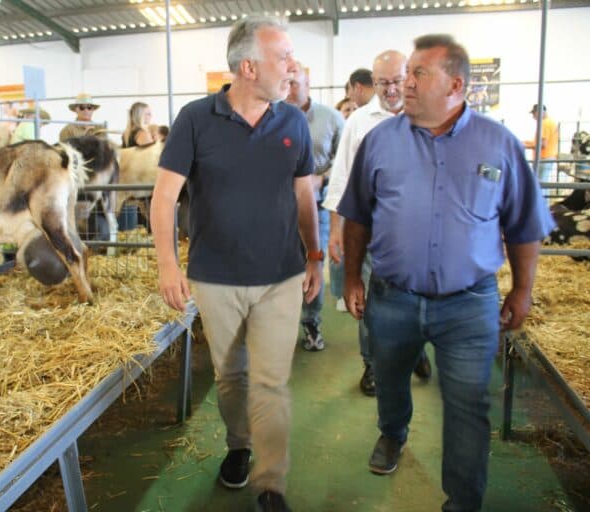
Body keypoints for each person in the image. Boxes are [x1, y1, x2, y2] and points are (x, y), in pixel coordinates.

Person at [337, 34, 554, 511]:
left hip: (468, 302)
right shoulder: (379, 140)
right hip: (392, 297)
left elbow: (525, 226)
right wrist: (352, 278)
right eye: (406, 73)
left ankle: (463, 501)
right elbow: (357, 217)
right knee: (389, 381)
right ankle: (392, 434)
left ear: (456, 84)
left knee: (468, 406)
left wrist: (522, 290)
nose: (404, 84)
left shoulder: (498, 144)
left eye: (419, 73)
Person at [151, 15, 321, 512]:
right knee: (232, 378)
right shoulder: (196, 119)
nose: (293, 66)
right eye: (283, 57)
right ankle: (239, 444)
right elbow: (164, 199)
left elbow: (304, 194)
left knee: (271, 378)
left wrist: (314, 255)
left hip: (281, 275)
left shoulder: (292, 120)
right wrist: (168, 265)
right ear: (248, 67)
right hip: (216, 277)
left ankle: (270, 483)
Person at [324, 50, 431, 396]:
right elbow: (341, 178)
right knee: (368, 300)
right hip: (370, 231)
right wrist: (336, 229)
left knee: (419, 297)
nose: (390, 89)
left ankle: (414, 350)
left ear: (410, 77)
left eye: (396, 81)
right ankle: (371, 365)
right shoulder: (359, 121)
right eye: (382, 82)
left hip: (419, 233)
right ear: (373, 83)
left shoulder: (429, 115)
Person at [286, 62, 345, 351]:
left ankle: (311, 323)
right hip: (279, 207)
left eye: (294, 83)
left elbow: (345, 160)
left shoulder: (331, 118)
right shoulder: (273, 116)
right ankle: (280, 325)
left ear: (308, 85)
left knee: (314, 260)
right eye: (285, 83)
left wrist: (322, 178)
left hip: (317, 204)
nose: (288, 89)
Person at [523, 104, 559, 196]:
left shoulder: (544, 124)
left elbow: (543, 144)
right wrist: (527, 143)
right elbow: (539, 142)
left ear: (539, 112)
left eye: (534, 114)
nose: (533, 117)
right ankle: (544, 207)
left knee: (540, 184)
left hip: (544, 157)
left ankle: (542, 207)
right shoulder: (551, 122)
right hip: (549, 156)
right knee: (542, 183)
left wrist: (527, 146)